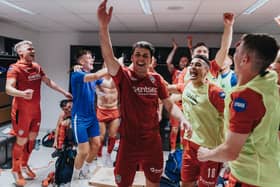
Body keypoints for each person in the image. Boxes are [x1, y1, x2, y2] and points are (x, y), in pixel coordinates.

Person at [97, 1, 191, 186]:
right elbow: (108, 56)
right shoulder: (123, 76)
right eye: (137, 55)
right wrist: (103, 26)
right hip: (128, 144)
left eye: (145, 56)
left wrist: (184, 119)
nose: (141, 58)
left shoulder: (156, 79)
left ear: (151, 60)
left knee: (153, 182)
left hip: (152, 143)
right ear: (132, 58)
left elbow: (169, 105)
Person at [197, 34, 280, 187]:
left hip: (250, 178)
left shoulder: (246, 97)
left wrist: (206, 154)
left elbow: (230, 151)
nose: (234, 52)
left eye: (238, 50)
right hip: (270, 171)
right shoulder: (270, 81)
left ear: (244, 60)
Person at [5, 40, 72, 187]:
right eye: (30, 49)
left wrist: (64, 91)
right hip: (21, 112)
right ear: (21, 52)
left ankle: (24, 164)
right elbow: (8, 88)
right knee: (21, 141)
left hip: (35, 110)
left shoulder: (36, 66)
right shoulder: (14, 68)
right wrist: (22, 93)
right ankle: (15, 170)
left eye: (34, 48)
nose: (33, 50)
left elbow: (48, 81)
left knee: (32, 139)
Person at [180, 55, 225, 187]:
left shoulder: (215, 92)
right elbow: (172, 88)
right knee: (185, 183)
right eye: (191, 64)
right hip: (189, 146)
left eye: (198, 65)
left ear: (207, 71)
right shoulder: (188, 86)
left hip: (209, 149)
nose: (193, 67)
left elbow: (230, 119)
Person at [70, 50, 107, 181]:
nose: (92, 60)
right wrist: (112, 66)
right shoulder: (76, 74)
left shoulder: (92, 77)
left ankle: (85, 170)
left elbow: (107, 84)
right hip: (79, 118)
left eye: (92, 57)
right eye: (89, 58)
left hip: (92, 117)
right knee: (84, 151)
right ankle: (74, 178)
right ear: (81, 61)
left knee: (97, 144)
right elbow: (96, 75)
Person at [96, 64, 120, 167]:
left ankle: (108, 155)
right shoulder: (98, 78)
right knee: (101, 137)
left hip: (114, 109)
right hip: (102, 110)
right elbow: (91, 84)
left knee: (113, 135)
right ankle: (99, 156)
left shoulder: (118, 78)